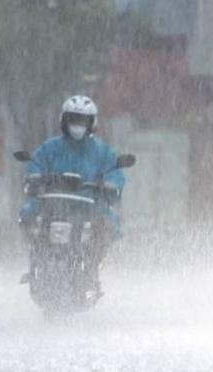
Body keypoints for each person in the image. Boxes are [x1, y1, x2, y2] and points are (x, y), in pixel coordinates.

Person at [19, 95, 125, 291]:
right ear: (64, 121)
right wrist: (35, 178)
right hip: (52, 203)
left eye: (82, 121)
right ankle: (37, 257)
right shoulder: (50, 148)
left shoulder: (103, 151)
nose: (77, 125)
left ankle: (92, 264)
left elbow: (115, 172)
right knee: (26, 216)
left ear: (92, 123)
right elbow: (35, 165)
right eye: (73, 119)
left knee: (109, 225)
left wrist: (111, 185)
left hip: (90, 205)